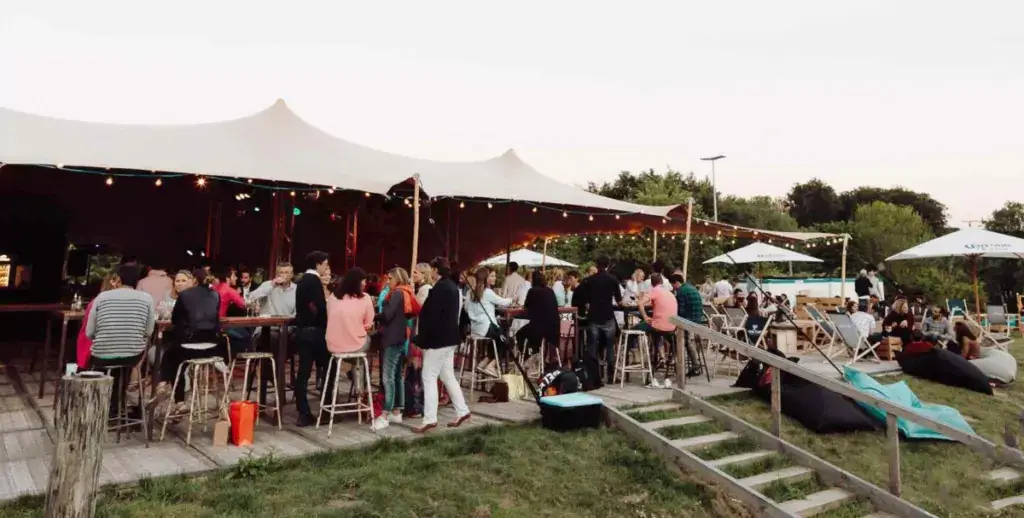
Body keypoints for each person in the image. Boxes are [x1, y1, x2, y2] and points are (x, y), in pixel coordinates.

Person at [152, 267, 223, 414]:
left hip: (189, 345)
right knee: (177, 360)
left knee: (170, 356)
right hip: (212, 347)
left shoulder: (185, 295)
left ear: (194, 280)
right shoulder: (216, 295)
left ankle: (164, 384)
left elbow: (175, 319)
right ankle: (178, 401)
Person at [85, 265, 154, 415]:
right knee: (124, 367)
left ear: (118, 279)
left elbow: (89, 332)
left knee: (107, 364)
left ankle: (102, 407)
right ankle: (117, 405)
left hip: (101, 355)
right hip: (132, 355)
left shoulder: (101, 297)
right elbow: (149, 332)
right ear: (137, 281)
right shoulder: (147, 299)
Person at [413, 257, 471, 433]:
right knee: (447, 375)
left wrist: (422, 338)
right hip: (450, 338)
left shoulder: (440, 288)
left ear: (435, 270)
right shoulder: (453, 287)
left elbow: (431, 316)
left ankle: (430, 419)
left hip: (438, 339)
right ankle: (462, 411)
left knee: (429, 376)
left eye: (432, 269)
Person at [325, 267, 376, 421]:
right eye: (363, 281)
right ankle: (360, 392)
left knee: (356, 358)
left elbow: (329, 316)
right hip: (356, 345)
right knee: (362, 354)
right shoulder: (365, 298)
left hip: (332, 346)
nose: (365, 284)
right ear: (357, 282)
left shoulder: (333, 296)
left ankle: (351, 383)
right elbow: (368, 324)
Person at [373, 267, 416, 430]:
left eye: (390, 278)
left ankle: (385, 414)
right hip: (400, 337)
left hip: (391, 337)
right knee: (397, 375)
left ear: (397, 278)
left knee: (388, 376)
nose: (387, 281)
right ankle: (397, 410)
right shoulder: (406, 292)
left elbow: (388, 315)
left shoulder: (397, 293)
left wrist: (377, 312)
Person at [293, 251, 330, 427]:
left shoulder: (301, 281)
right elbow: (319, 307)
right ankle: (327, 410)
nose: (326, 267)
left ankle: (303, 412)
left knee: (303, 373)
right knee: (329, 369)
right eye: (325, 264)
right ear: (318, 264)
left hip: (301, 331)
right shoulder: (314, 281)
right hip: (316, 332)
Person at [576, 255, 622, 384]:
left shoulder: (589, 281)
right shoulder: (613, 280)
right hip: (608, 316)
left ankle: (594, 375)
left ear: (597, 265)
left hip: (594, 316)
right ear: (608, 265)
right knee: (610, 347)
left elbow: (585, 300)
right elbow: (619, 300)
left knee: (592, 346)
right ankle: (611, 376)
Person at [466, 267, 514, 378]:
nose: (495, 278)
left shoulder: (470, 292)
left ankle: (483, 363)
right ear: (485, 278)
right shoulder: (487, 292)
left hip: (475, 329)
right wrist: (513, 299)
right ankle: (491, 365)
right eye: (492, 276)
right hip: (486, 327)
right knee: (508, 341)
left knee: (497, 339)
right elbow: (503, 302)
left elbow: (466, 308)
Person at [636, 273, 678, 384]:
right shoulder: (669, 293)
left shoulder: (654, 290)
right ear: (662, 282)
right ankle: (664, 360)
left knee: (635, 328)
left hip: (658, 326)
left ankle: (637, 357)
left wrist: (645, 317)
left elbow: (640, 303)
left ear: (652, 283)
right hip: (672, 326)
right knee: (660, 334)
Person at [516, 271, 560, 368]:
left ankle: (529, 357)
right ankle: (539, 357)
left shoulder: (532, 291)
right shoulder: (550, 291)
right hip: (554, 330)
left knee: (520, 334)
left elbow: (526, 308)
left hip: (539, 328)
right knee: (534, 332)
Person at [77, 273, 121, 369]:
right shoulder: (121, 305)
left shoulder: (95, 303)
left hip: (96, 349)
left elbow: (87, 330)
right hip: (119, 350)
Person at [670, 274, 704, 377]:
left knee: (682, 341)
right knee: (684, 340)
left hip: (689, 321)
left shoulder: (681, 291)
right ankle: (683, 362)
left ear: (676, 282)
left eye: (673, 285)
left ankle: (694, 366)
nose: (673, 288)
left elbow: (681, 311)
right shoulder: (692, 287)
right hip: (698, 320)